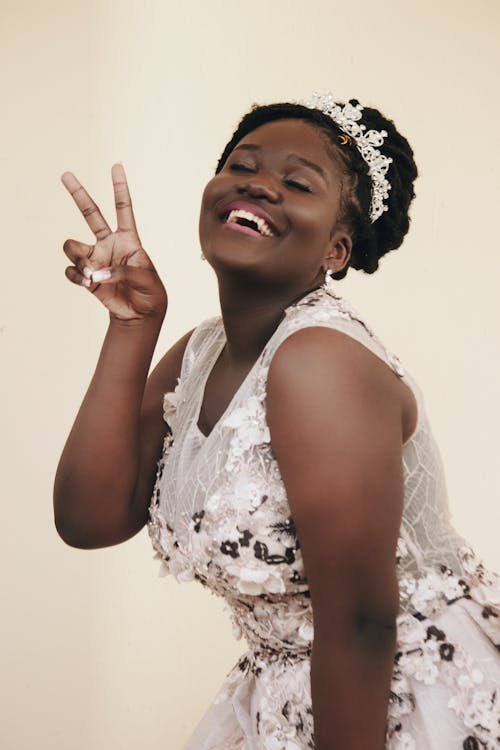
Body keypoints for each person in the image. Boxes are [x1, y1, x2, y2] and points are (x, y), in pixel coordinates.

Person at [54, 94, 499, 750]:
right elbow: (90, 519)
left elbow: (359, 621)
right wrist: (131, 327)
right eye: (242, 165)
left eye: (297, 183)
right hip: (287, 692)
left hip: (398, 696)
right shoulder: (199, 353)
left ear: (337, 249)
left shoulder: (319, 362)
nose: (258, 184)